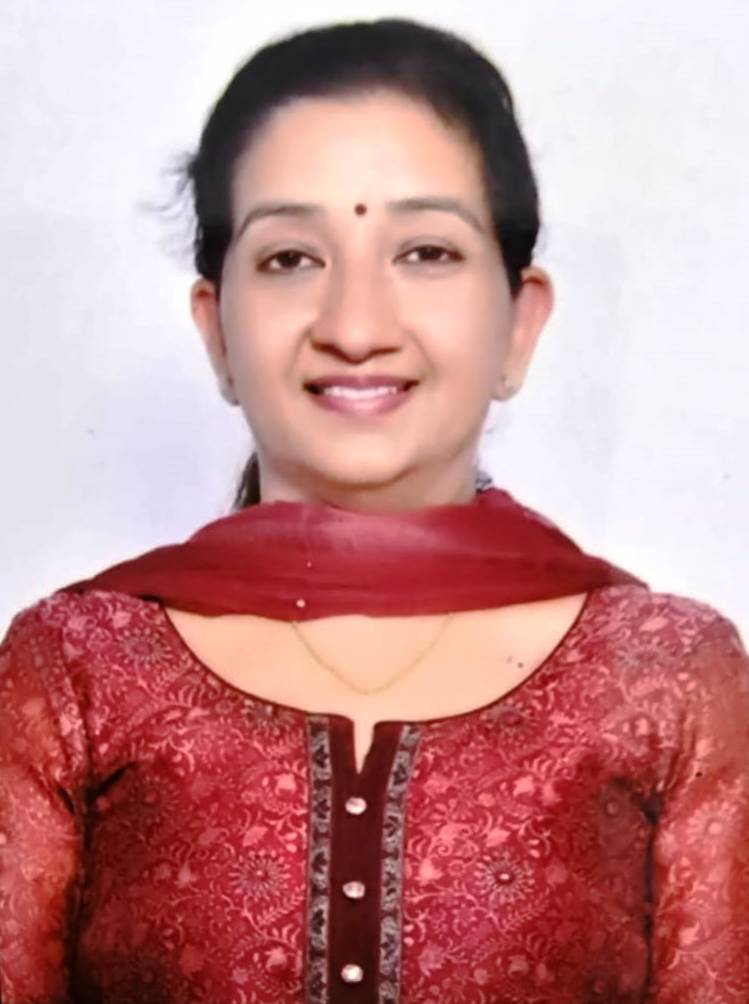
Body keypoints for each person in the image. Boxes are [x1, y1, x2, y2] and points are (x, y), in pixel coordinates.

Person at [1, 16, 748, 1004]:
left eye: (426, 251)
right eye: (289, 259)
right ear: (216, 331)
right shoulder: (77, 672)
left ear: (518, 324)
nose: (355, 327)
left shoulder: (664, 677)